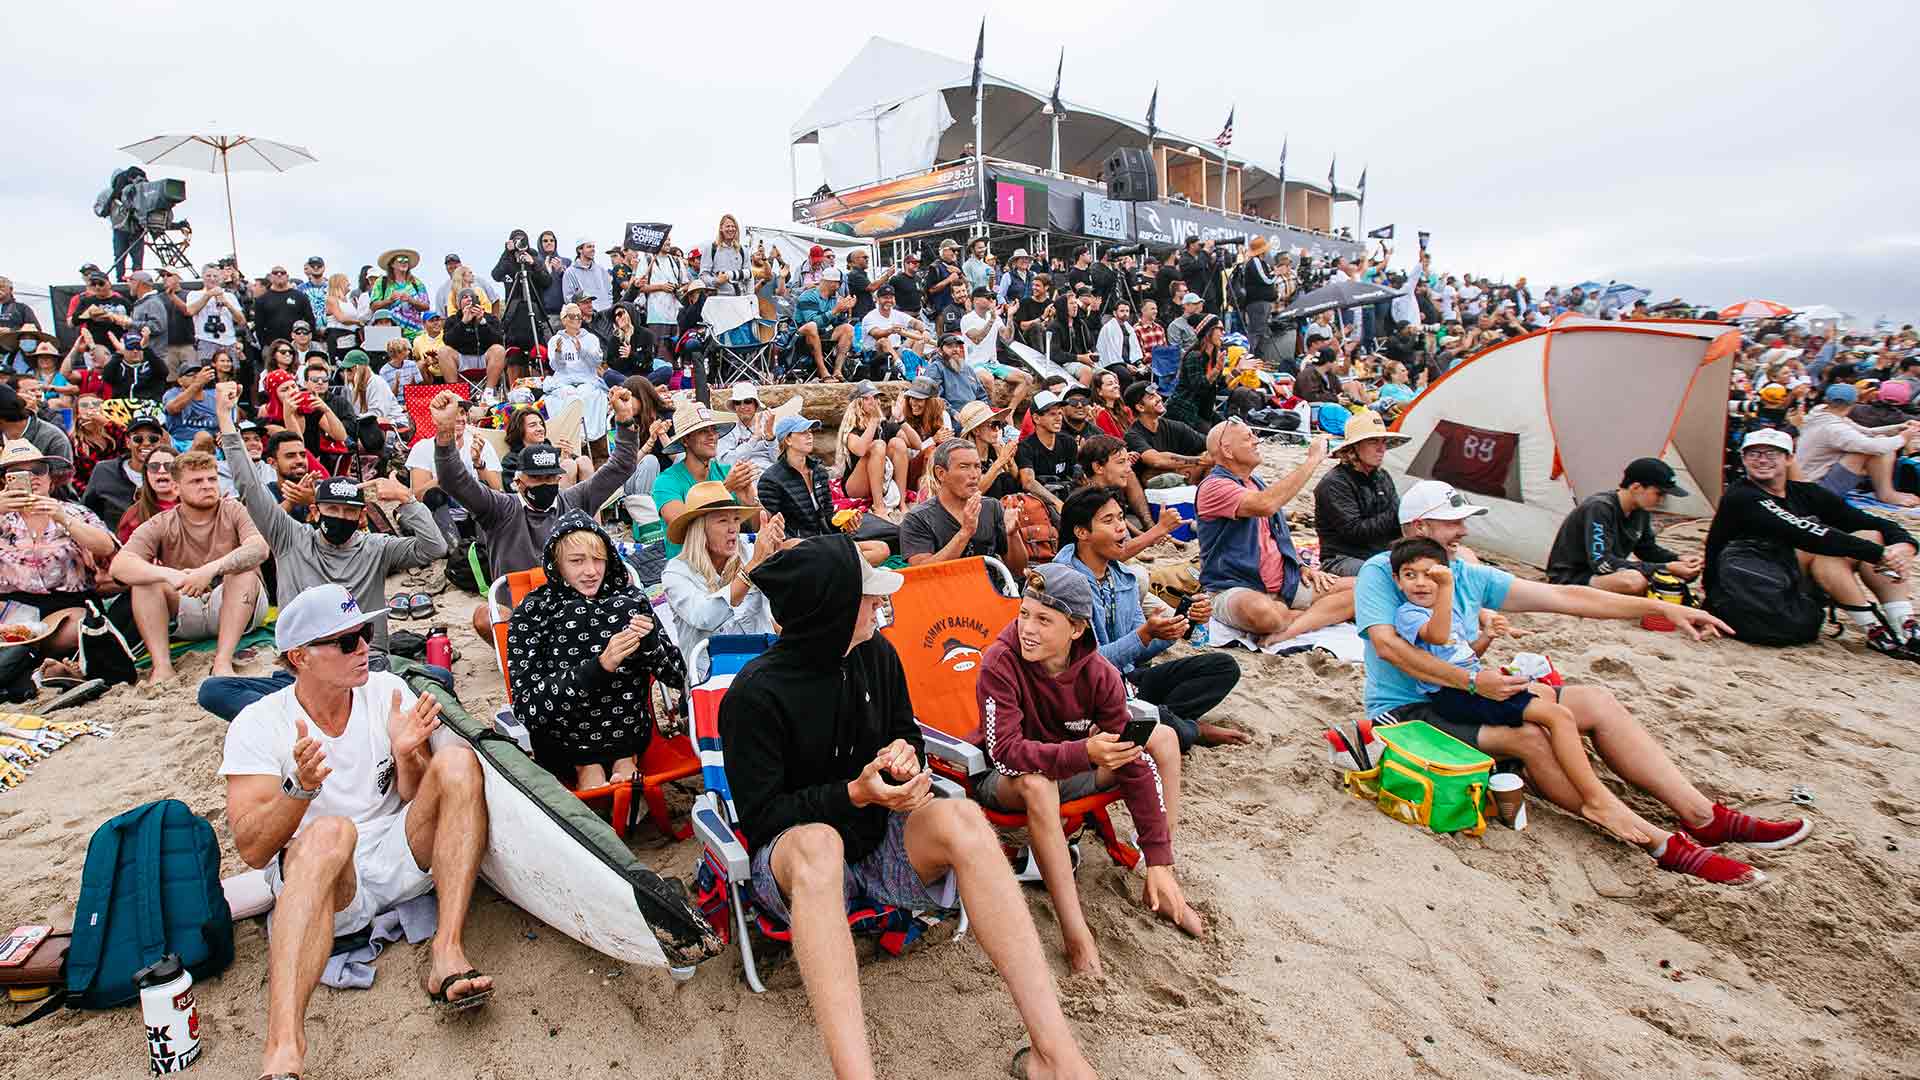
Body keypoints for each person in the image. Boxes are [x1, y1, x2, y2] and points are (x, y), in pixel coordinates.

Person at [719, 535, 1096, 1080]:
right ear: (829, 614)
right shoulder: (754, 696)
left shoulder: (877, 654)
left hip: (877, 842)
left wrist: (905, 761)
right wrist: (854, 792)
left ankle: (1056, 1058)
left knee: (964, 816)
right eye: (868, 599)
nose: (881, 605)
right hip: (798, 875)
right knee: (818, 843)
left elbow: (904, 734)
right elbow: (760, 819)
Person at [1358, 480, 1812, 885]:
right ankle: (1658, 842)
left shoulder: (1463, 571)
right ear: (1419, 527)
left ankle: (1703, 816)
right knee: (1532, 735)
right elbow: (1391, 649)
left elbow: (1564, 596)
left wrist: (1662, 608)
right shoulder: (1383, 572)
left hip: (1472, 691)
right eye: (1454, 523)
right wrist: (1473, 683)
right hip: (1412, 710)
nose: (1464, 532)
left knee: (1595, 701)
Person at [221, 584, 494, 1080]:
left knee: (456, 762)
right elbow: (253, 850)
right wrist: (297, 789)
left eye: (365, 633)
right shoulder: (257, 724)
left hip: (398, 855)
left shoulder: (387, 690)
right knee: (329, 830)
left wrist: (409, 751)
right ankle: (284, 1047)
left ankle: (447, 952)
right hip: (329, 883)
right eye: (346, 642)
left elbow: (417, 798)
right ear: (299, 657)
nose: (365, 648)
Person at [977, 562, 1203, 978]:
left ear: (1076, 629)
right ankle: (1075, 932)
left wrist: (1159, 859)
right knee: (1038, 785)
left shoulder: (1098, 673)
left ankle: (1160, 873)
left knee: (1147, 751)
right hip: (1006, 780)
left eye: (1044, 620)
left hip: (1069, 767)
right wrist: (1085, 751)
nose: (1028, 628)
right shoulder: (1000, 663)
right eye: (1024, 613)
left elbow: (1131, 761)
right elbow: (1005, 752)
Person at [197, 382, 446, 720]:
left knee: (440, 680)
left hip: (364, 667)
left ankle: (312, 715)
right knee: (214, 690)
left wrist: (407, 498)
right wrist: (225, 419)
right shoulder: (291, 538)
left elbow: (434, 547)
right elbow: (250, 487)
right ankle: (311, 713)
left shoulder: (376, 548)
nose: (339, 517)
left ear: (361, 518)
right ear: (315, 512)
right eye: (332, 510)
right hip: (303, 670)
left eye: (348, 512)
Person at [1390, 536, 1658, 845]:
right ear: (1397, 581)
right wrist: (1446, 587)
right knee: (1558, 717)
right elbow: (1437, 637)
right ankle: (1596, 799)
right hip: (1453, 695)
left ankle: (1586, 790)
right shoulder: (1410, 613)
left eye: (1429, 574)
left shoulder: (1443, 610)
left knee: (1552, 705)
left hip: (1469, 686)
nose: (1421, 583)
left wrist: (1486, 637)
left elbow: (1460, 655)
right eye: (1411, 575)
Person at [429, 389, 643, 640]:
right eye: (536, 478)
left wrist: (626, 420)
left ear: (559, 478)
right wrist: (444, 432)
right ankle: (515, 663)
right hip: (520, 613)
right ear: (519, 481)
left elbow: (622, 466)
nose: (544, 484)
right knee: (484, 616)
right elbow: (453, 480)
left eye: (551, 477)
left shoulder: (573, 500)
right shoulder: (499, 508)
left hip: (577, 606)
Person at [1054, 486, 1244, 752]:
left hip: (1127, 680)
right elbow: (1088, 664)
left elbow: (1136, 656)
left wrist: (1179, 624)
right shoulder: (1063, 584)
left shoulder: (1123, 577)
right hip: (1087, 691)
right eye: (1109, 521)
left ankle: (1166, 720)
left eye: (1121, 517)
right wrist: (1145, 634)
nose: (1122, 527)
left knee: (1223, 667)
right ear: (1082, 532)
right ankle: (1189, 728)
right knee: (1150, 718)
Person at [507, 511, 685, 787]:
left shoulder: (630, 600)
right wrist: (598, 667)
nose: (591, 571)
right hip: (564, 738)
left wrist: (650, 645)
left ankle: (622, 770)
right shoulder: (535, 610)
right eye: (576, 561)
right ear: (557, 563)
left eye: (598, 559)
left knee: (624, 772)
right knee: (595, 776)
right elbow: (527, 706)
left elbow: (677, 677)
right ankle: (594, 774)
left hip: (627, 731)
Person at [1704, 428, 1918, 657]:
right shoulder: (1741, 496)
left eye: (1772, 453)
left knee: (1871, 534)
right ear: (1744, 460)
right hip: (1745, 595)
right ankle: (1873, 628)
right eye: (1754, 454)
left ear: (1789, 459)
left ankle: (1904, 624)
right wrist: (1881, 555)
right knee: (1826, 549)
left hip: (1784, 577)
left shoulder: (1806, 493)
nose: (1762, 460)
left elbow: (1868, 520)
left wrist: (1905, 546)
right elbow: (1808, 533)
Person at [109, 449, 270, 684]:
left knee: (243, 574)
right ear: (176, 488)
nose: (207, 486)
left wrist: (209, 570)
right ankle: (162, 667)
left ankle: (223, 662)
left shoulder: (234, 510)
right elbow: (120, 566)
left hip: (236, 605)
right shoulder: (161, 522)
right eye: (196, 481)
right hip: (187, 605)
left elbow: (259, 548)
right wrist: (169, 575)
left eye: (212, 479)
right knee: (145, 583)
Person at [1196, 421, 1356, 645]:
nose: (1256, 440)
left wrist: (1300, 566)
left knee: (1364, 588)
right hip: (1235, 585)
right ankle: (1311, 616)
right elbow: (1266, 505)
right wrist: (1312, 460)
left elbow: (1274, 536)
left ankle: (1291, 625)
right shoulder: (1214, 486)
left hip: (1286, 583)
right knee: (1262, 613)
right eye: (1248, 437)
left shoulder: (1255, 482)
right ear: (1227, 450)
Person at [0, 441, 117, 675]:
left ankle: (27, 662)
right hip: (10, 608)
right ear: (5, 480)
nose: (31, 477)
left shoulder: (74, 512)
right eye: (17, 473)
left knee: (82, 628)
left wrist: (64, 520)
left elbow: (106, 546)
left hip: (66, 606)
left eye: (37, 470)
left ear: (50, 477)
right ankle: (33, 666)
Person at [663, 482, 778, 682]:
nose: (733, 528)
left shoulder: (749, 552)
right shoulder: (676, 573)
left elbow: (783, 602)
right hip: (711, 679)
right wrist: (753, 567)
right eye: (723, 521)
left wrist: (779, 557)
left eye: (736, 519)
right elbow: (705, 616)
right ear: (700, 529)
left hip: (763, 666)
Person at [1545, 457, 1703, 594]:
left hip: (1605, 573)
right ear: (1635, 487)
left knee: (1655, 578)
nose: (1661, 500)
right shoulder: (1600, 508)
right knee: (1634, 581)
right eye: (1659, 493)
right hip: (1571, 576)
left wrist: (1679, 559)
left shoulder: (1640, 510)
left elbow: (1647, 549)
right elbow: (1602, 563)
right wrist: (1667, 567)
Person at [901, 438, 1029, 573]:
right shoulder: (917, 518)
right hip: (945, 592)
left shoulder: (992, 507)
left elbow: (1018, 569)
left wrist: (1012, 535)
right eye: (964, 467)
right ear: (941, 473)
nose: (974, 475)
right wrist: (965, 533)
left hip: (990, 591)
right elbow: (920, 573)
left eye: (977, 466)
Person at [655, 401, 760, 558]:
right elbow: (682, 526)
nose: (712, 436)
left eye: (713, 429)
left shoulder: (725, 471)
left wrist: (751, 500)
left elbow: (756, 528)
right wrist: (725, 489)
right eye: (703, 431)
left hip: (727, 564)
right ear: (685, 440)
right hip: (687, 567)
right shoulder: (666, 481)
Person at [1312, 411, 1408, 576]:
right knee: (1382, 576)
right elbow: (1355, 532)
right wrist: (1398, 511)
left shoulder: (1382, 476)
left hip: (1380, 554)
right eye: (1373, 442)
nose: (1382, 448)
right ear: (1354, 447)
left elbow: (1396, 527)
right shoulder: (1335, 483)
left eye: (1383, 442)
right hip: (1342, 558)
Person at [1794, 383, 1920, 507]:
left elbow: (1865, 431)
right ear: (1854, 403)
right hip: (1817, 488)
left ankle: (1885, 492)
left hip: (1806, 481)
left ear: (1827, 400)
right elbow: (1875, 447)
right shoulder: (1834, 428)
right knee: (1879, 448)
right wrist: (1905, 437)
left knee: (1879, 440)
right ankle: (1886, 493)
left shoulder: (1820, 412)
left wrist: (1898, 428)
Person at [1122, 382, 1211, 491]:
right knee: (1157, 475)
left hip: (1184, 484)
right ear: (1140, 407)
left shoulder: (1175, 426)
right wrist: (1201, 460)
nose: (1159, 398)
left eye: (1157, 394)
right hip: (1153, 494)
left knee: (1213, 456)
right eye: (1151, 397)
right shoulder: (1132, 435)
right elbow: (1156, 460)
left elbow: (1210, 443)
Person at [834, 381, 904, 514]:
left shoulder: (884, 426)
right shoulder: (852, 431)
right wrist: (874, 420)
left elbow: (916, 444)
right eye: (867, 398)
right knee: (878, 445)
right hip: (854, 487)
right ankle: (879, 506)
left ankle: (902, 503)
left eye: (875, 397)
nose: (873, 401)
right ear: (857, 404)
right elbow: (860, 450)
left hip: (881, 482)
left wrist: (900, 419)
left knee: (898, 443)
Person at [1016, 390, 1078, 517]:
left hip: (1066, 495)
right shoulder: (1025, 447)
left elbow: (1075, 476)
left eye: (1060, 413)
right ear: (1036, 418)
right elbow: (1028, 482)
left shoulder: (1068, 442)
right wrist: (1057, 502)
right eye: (1052, 414)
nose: (1058, 418)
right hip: (1041, 503)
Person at [792, 267, 856, 379]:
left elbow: (837, 323)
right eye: (839, 283)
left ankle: (837, 371)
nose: (840, 286)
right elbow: (812, 321)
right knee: (811, 326)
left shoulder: (834, 299)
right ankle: (823, 371)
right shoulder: (808, 296)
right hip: (799, 337)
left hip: (821, 334)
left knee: (848, 328)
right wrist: (835, 310)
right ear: (832, 284)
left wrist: (844, 310)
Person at [504, 406, 591, 488]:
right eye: (533, 425)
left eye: (541, 424)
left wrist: (569, 456)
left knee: (583, 460)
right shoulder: (512, 459)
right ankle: (563, 503)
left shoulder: (554, 451)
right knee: (568, 465)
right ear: (519, 430)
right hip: (539, 497)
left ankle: (593, 502)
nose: (540, 428)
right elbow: (513, 487)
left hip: (574, 493)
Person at [1167, 315, 1225, 429]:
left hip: (1203, 410)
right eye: (1220, 329)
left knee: (1229, 429)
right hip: (1185, 410)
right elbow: (1199, 387)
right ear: (1209, 331)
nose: (1223, 333)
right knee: (1212, 439)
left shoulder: (1214, 357)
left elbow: (1220, 384)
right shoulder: (1194, 356)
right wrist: (1216, 369)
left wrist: (1238, 370)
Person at [117, 447, 177, 544]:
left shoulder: (197, 506)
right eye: (154, 466)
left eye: (169, 466)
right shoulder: (134, 515)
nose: (161, 471)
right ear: (146, 473)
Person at [370, 249, 431, 339]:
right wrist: (389, 300)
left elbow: (426, 306)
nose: (404, 263)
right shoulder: (382, 282)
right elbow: (373, 306)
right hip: (390, 334)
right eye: (400, 260)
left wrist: (411, 300)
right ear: (392, 264)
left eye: (406, 261)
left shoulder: (416, 282)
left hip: (416, 333)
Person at [560, 240, 613, 312]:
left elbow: (609, 291)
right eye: (589, 247)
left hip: (605, 315)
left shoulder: (601, 269)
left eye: (593, 247)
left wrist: (608, 306)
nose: (593, 249)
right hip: (585, 318)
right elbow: (569, 298)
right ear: (580, 250)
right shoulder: (570, 272)